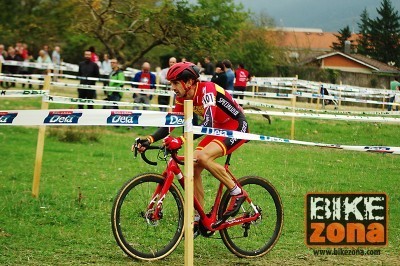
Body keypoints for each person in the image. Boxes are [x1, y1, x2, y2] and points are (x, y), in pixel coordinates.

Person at [134, 62, 249, 220]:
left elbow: (206, 124)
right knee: (192, 166)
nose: (172, 88)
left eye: (175, 83)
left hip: (236, 125)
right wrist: (150, 138)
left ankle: (236, 192)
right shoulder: (182, 97)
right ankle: (198, 217)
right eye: (171, 83)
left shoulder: (207, 89)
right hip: (217, 128)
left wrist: (181, 140)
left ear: (189, 82)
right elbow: (172, 122)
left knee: (203, 157)